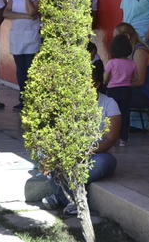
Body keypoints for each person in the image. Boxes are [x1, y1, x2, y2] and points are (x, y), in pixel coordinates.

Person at [42, 63, 119, 215]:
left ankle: (61, 197)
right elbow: (60, 133)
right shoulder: (71, 103)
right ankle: (72, 201)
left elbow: (110, 139)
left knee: (106, 162)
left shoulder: (109, 104)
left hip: (94, 155)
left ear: (96, 84)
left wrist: (84, 153)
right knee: (44, 153)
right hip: (70, 154)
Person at [3, 0, 40, 111]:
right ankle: (23, 99)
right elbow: (6, 13)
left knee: (30, 70)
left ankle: (31, 100)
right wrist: (24, 16)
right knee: (21, 70)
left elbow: (32, 11)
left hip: (31, 37)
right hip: (17, 38)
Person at [113, 22, 149, 110]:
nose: (114, 41)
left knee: (112, 96)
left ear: (127, 36)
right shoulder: (130, 52)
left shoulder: (139, 52)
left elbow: (140, 81)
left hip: (144, 96)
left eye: (116, 38)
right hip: (135, 92)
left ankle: (122, 123)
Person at [104, 34, 137, 145]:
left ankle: (111, 136)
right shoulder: (132, 63)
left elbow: (105, 78)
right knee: (125, 113)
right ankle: (123, 139)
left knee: (111, 113)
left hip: (113, 90)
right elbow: (135, 77)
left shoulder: (111, 63)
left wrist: (107, 82)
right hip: (127, 90)